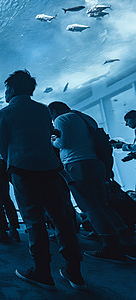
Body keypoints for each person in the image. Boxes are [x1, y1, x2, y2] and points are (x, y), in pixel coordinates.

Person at [0, 70, 84, 290]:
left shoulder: (4, 114)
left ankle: (42, 271)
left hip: (23, 170)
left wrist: (8, 162)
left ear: (12, 89)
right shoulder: (43, 110)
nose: (5, 92)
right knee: (61, 220)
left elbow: (0, 145)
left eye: (6, 88)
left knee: (34, 221)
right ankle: (74, 272)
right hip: (50, 170)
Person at [48, 101, 135, 262]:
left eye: (50, 115)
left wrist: (52, 140)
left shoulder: (61, 120)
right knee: (103, 205)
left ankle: (111, 247)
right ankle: (128, 241)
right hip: (96, 164)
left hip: (77, 164)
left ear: (54, 111)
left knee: (90, 207)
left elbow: (63, 143)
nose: (52, 119)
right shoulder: (86, 118)